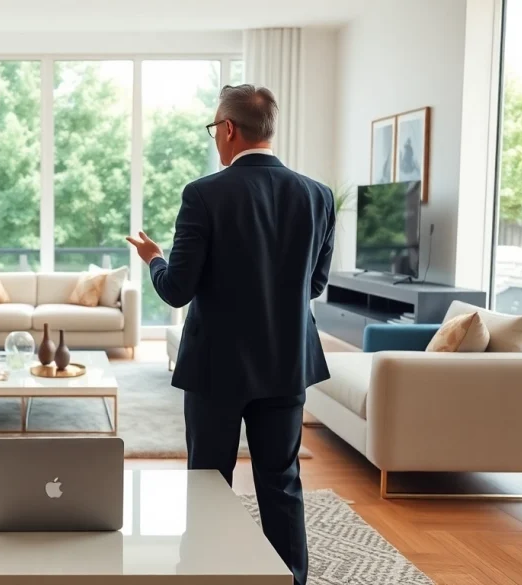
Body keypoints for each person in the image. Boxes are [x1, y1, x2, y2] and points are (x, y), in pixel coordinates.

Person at [127, 84, 334, 585]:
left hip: (216, 368)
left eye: (213, 129)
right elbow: (314, 285)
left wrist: (154, 258)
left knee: (208, 484)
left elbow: (177, 290)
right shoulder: (318, 195)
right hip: (286, 363)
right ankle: (291, 580)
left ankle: (207, 574)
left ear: (227, 128)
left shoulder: (203, 194)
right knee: (281, 483)